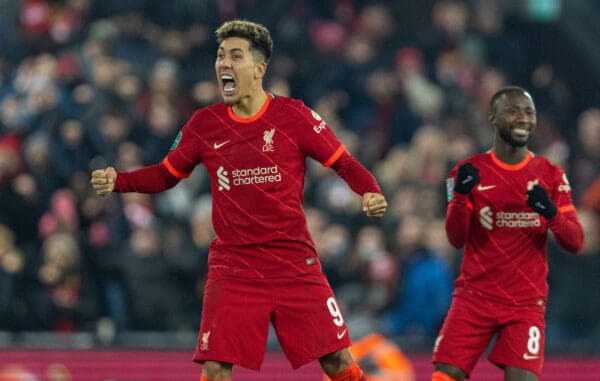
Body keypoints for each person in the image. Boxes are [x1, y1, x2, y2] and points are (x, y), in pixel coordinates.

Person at [90, 20, 387, 381]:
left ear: (259, 69)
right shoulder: (204, 124)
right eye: (220, 56)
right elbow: (167, 174)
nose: (223, 64)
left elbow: (343, 162)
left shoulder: (293, 116)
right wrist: (119, 181)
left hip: (292, 260)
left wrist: (370, 190)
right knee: (215, 369)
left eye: (235, 56)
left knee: (338, 363)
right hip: (234, 266)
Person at [431, 86, 584, 381]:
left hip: (526, 302)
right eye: (513, 111)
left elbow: (575, 242)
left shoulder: (551, 174)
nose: (523, 119)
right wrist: (461, 198)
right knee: (445, 375)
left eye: (529, 112)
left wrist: (549, 211)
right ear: (492, 117)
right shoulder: (467, 172)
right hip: (474, 296)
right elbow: (456, 238)